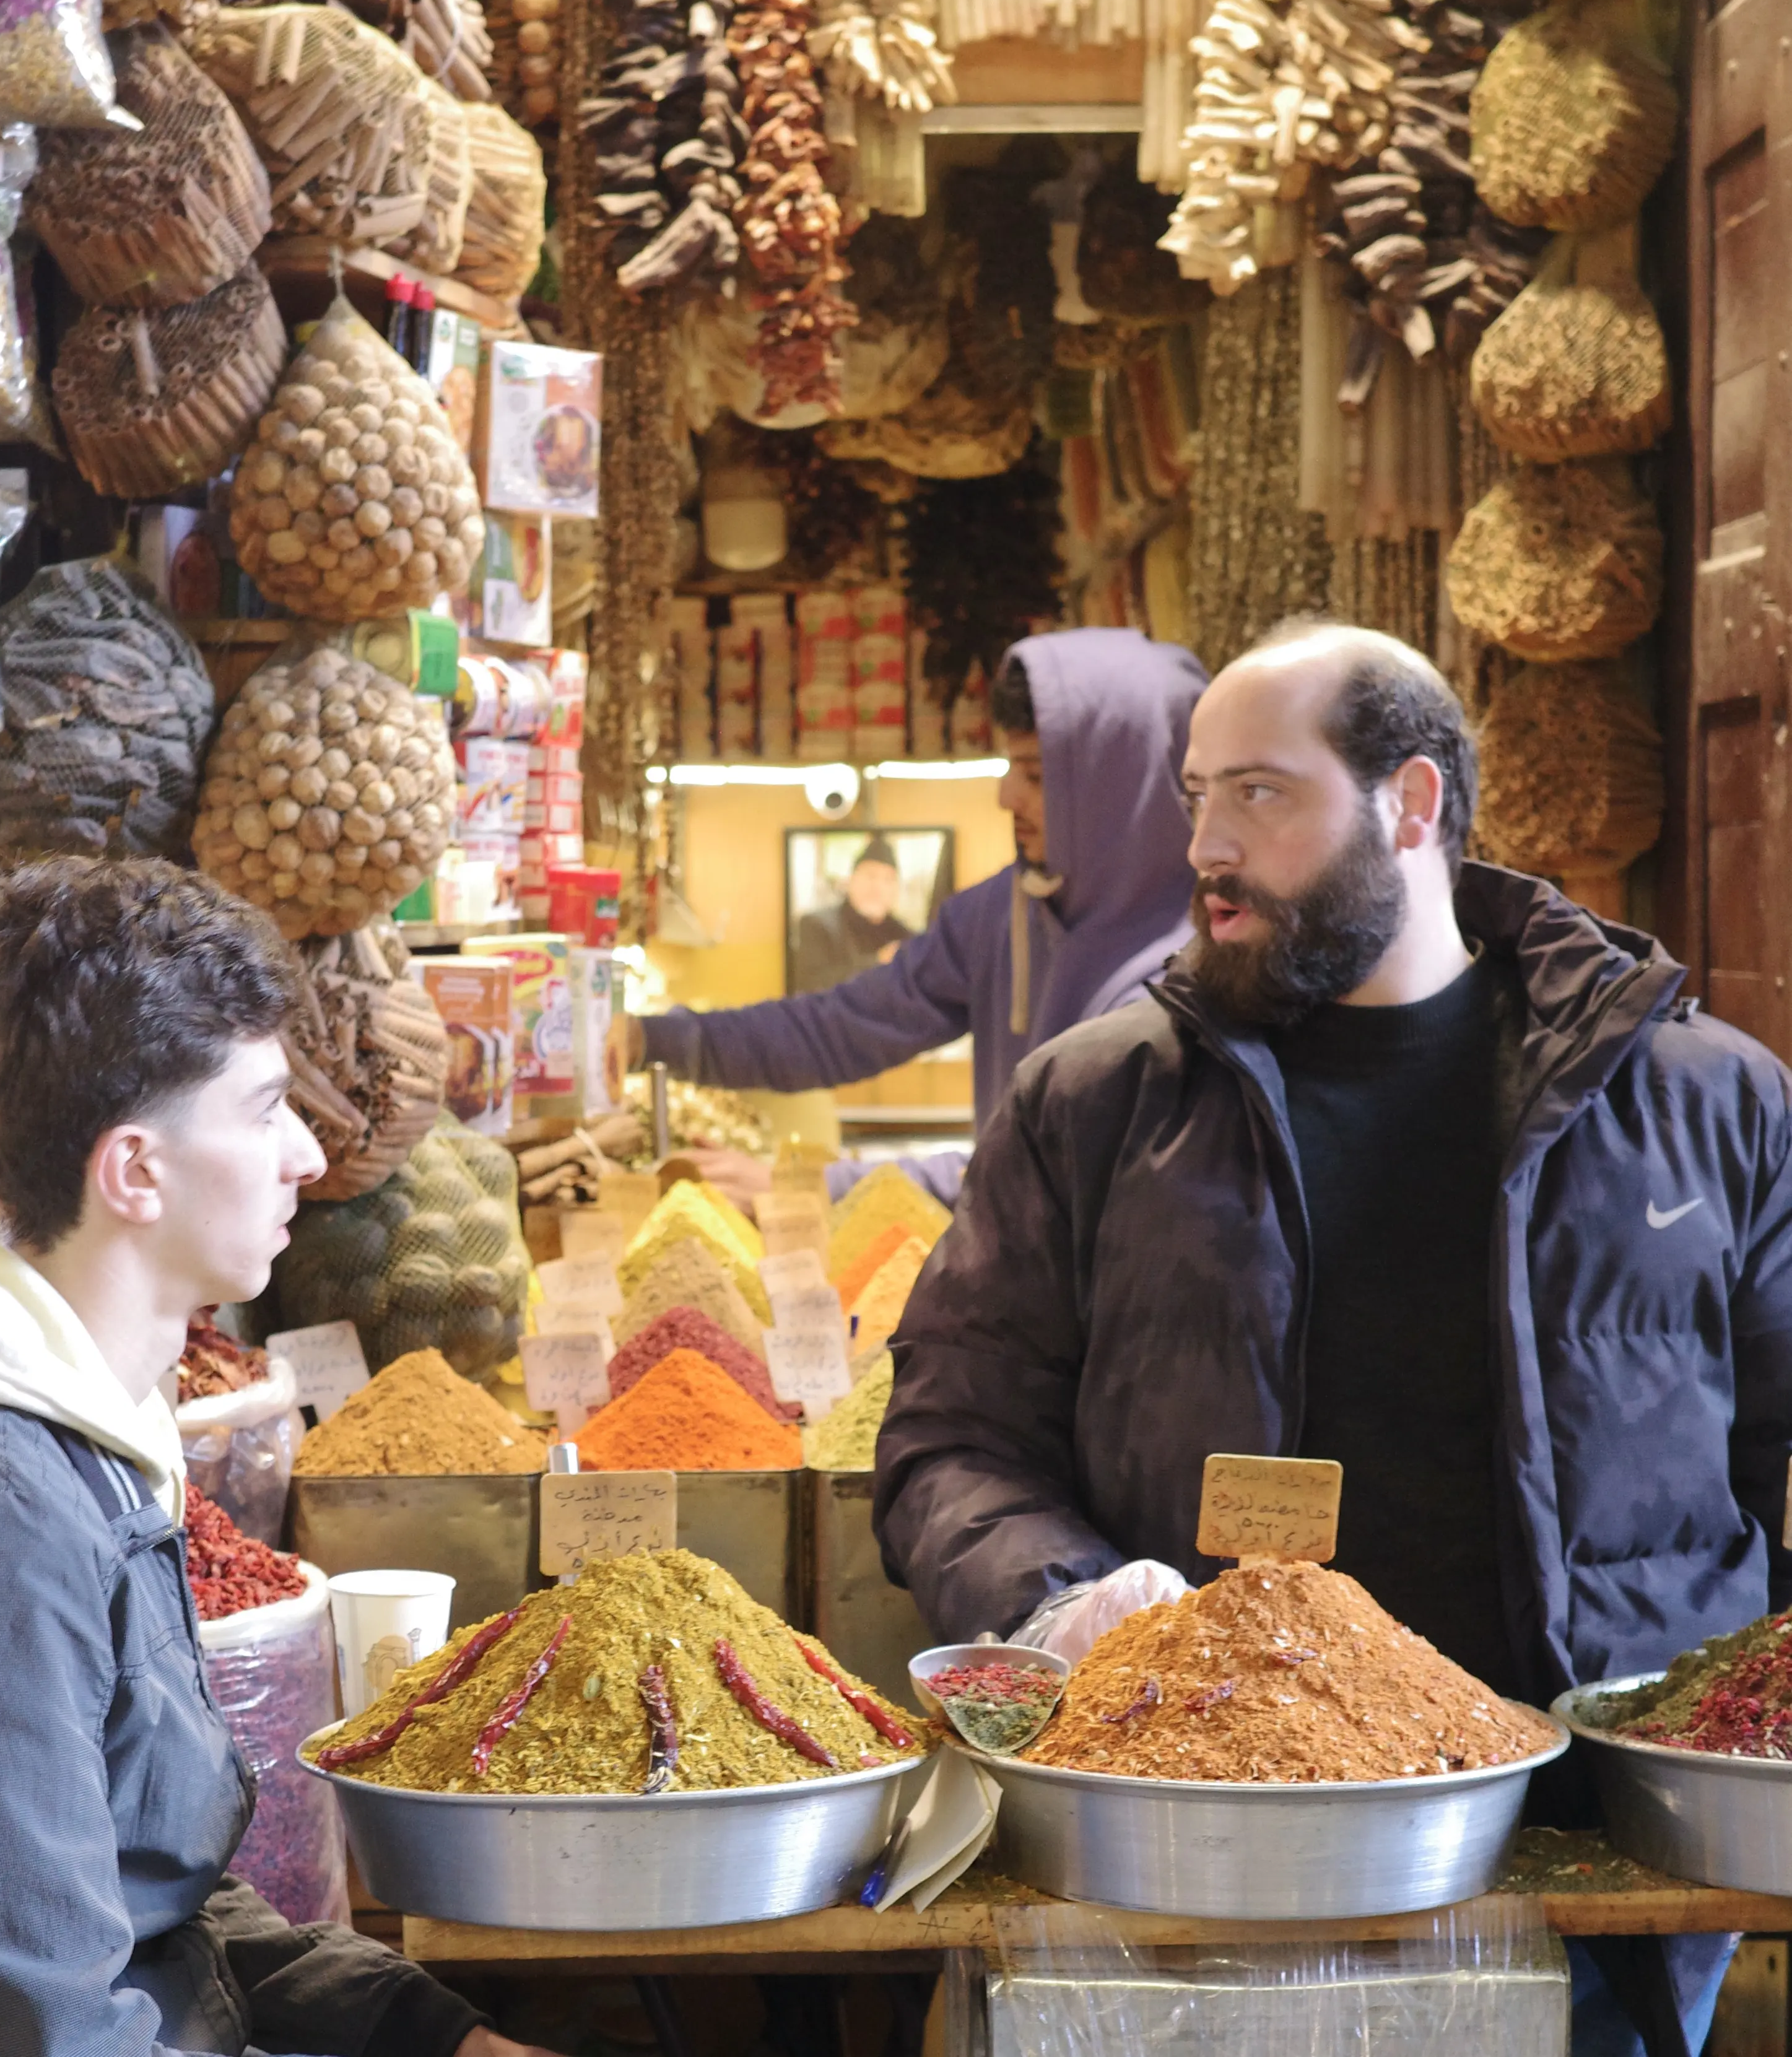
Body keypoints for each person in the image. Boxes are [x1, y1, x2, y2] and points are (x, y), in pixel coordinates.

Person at [873, 621, 1792, 2056]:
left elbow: (1776, 1450)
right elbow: (951, 1434)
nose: (1207, 846)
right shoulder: (1096, 1105)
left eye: (1260, 793)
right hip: (1191, 1861)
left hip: (1598, 1856)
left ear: (1410, 804)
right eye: (1194, 796)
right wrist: (1057, 1595)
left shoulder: (1702, 1100)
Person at [0, 859, 560, 2057]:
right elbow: (40, 2034)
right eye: (264, 1109)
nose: (308, 1157)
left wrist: (427, 2034)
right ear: (135, 1170)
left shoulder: (74, 1429)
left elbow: (149, 1880)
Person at [611, 625, 1207, 1202]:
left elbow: (1059, 1169)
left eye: (1036, 775)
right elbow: (842, 1027)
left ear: (1122, 790)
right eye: (1010, 766)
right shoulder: (1002, 912)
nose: (1006, 797)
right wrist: (652, 1038)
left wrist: (808, 1188)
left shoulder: (1191, 974)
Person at [790, 834, 916, 993]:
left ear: (896, 890)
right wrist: (879, 961)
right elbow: (812, 986)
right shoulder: (817, 925)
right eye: (871, 876)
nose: (878, 886)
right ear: (851, 881)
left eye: (888, 879)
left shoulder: (905, 935)